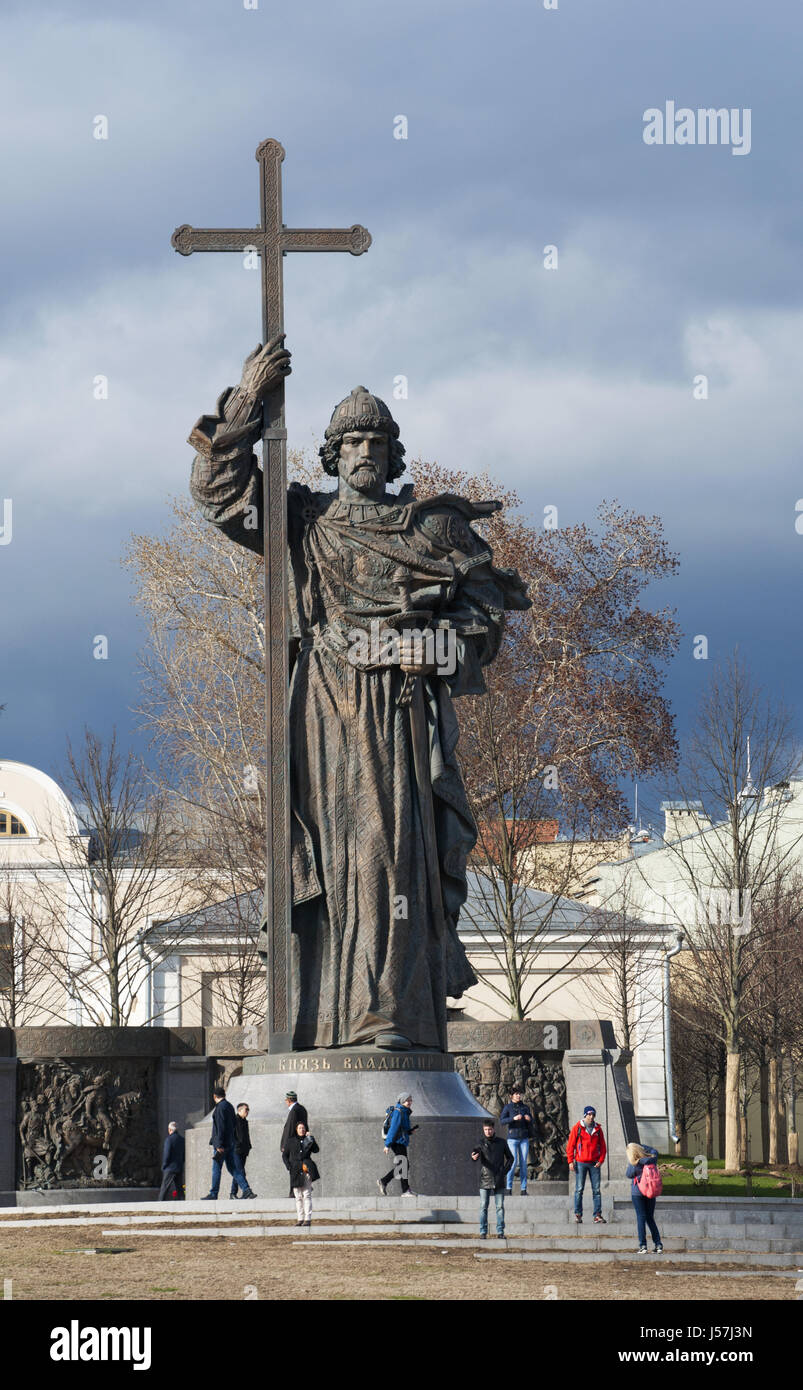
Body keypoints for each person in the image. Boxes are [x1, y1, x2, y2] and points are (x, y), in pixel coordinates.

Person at [189, 347, 529, 1052]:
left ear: (392, 452)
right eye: (351, 442)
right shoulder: (302, 521)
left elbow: (486, 614)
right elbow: (220, 496)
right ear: (332, 454)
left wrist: (433, 644)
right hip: (319, 705)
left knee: (385, 853)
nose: (364, 451)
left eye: (376, 441)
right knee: (322, 857)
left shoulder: (431, 528)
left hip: (396, 709)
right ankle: (310, 1016)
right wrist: (244, 407)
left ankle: (385, 1015)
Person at [202, 1085, 257, 1200]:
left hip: (222, 1144)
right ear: (224, 1095)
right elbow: (232, 1126)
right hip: (230, 1143)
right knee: (233, 1169)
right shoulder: (230, 1106)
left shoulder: (220, 1108)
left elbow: (220, 1127)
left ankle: (213, 1193)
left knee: (216, 1168)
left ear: (214, 1096)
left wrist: (219, 1144)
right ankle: (246, 1189)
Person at [471, 1120, 514, 1239]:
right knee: (483, 1206)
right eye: (485, 1129)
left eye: (490, 1129)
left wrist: (504, 1172)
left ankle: (500, 1232)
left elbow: (511, 1158)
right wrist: (474, 1157)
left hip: (499, 1178)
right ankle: (483, 1232)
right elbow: (475, 1154)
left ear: (493, 1129)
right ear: (483, 1130)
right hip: (485, 1178)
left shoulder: (502, 1142)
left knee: (499, 1206)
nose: (488, 1132)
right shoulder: (480, 1143)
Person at [567, 1104, 607, 1224]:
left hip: (594, 1163)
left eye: (593, 1114)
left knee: (596, 1190)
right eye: (589, 1114)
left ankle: (597, 1215)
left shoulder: (598, 1129)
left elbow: (603, 1147)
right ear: (585, 1115)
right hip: (580, 1162)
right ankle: (578, 1215)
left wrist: (600, 1160)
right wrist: (570, 1161)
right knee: (579, 1189)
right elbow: (570, 1146)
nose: (591, 1117)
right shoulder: (577, 1128)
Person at [377, 1093, 418, 1195]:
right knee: (404, 1164)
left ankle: (402, 1189)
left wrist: (409, 1132)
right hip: (396, 1142)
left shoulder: (404, 1112)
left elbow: (402, 1128)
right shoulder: (398, 1112)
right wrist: (387, 1145)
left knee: (403, 1164)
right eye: (407, 1100)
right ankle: (386, 1182)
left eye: (410, 1100)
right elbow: (393, 1129)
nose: (409, 1102)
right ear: (402, 1101)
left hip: (401, 1141)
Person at [626, 1142, 664, 1254]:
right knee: (650, 1218)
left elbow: (628, 1174)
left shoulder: (634, 1163)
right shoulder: (652, 1159)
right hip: (651, 1191)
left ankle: (643, 1245)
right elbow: (654, 1151)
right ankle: (658, 1244)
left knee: (641, 1218)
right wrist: (642, 1147)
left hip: (638, 1193)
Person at [284, 1120, 320, 1227]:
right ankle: (300, 1219)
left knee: (307, 1195)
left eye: (303, 1128)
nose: (302, 1130)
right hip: (295, 1171)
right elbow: (284, 1155)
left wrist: (311, 1139)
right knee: (298, 1196)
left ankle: (307, 1219)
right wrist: (289, 1166)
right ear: (296, 1129)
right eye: (300, 1128)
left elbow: (316, 1150)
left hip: (306, 1169)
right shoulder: (291, 1141)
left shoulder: (308, 1139)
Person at [499, 1085, 533, 1196]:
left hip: (524, 1137)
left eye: (519, 1094)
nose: (518, 1095)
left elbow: (531, 1120)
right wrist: (513, 1118)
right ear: (511, 1096)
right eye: (516, 1094)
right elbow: (502, 1121)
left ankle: (523, 1189)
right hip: (512, 1138)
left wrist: (529, 1119)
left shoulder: (525, 1107)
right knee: (512, 1163)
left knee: (523, 1164)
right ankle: (508, 1188)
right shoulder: (508, 1107)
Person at [229, 1103, 252, 1200]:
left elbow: (246, 1135)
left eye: (248, 1110)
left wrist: (249, 1146)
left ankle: (233, 1193)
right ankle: (246, 1191)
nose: (247, 1112)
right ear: (239, 1110)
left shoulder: (245, 1121)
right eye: (246, 1109)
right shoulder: (234, 1120)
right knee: (240, 1171)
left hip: (244, 1150)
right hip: (236, 1150)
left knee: (238, 1172)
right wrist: (236, 1144)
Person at [158, 1121, 185, 1201]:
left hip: (169, 1168)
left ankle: (159, 1205)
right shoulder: (182, 1139)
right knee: (180, 1189)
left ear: (170, 1130)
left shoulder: (169, 1140)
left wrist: (164, 1166)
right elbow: (184, 1154)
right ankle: (183, 1204)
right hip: (179, 1167)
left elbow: (167, 1154)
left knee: (164, 1188)